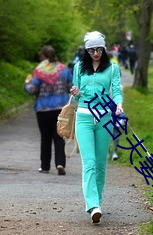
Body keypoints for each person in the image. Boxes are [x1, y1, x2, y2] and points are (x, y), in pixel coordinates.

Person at [70, 31, 123, 223]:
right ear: (86, 50)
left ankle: (97, 201)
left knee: (101, 164)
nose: (95, 53)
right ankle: (92, 205)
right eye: (91, 50)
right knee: (89, 163)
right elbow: (76, 96)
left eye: (99, 49)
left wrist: (118, 103)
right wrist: (75, 92)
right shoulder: (78, 68)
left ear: (104, 48)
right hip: (83, 118)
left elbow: (116, 90)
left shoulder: (112, 68)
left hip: (104, 119)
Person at [24, 45, 73, 175]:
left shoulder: (39, 71)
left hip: (43, 109)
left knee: (45, 138)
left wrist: (27, 83)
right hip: (60, 109)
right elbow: (71, 87)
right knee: (59, 137)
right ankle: (60, 163)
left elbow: (32, 90)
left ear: (43, 57)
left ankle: (45, 166)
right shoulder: (64, 70)